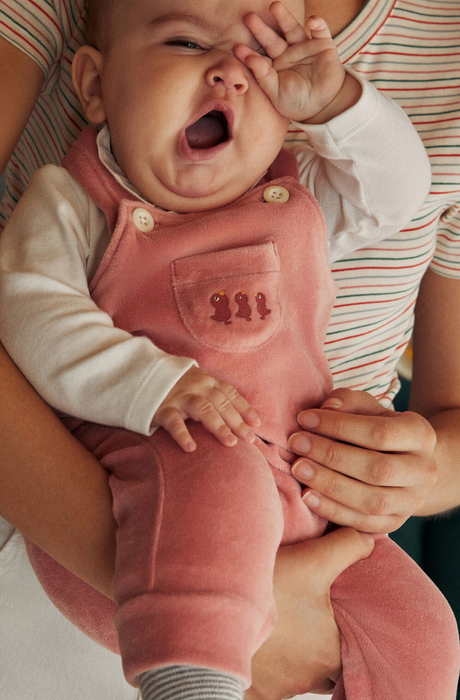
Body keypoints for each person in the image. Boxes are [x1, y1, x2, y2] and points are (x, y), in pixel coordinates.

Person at [0, 1, 459, 699]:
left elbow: (397, 193)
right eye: (186, 42)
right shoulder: (79, 199)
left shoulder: (289, 198)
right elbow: (33, 309)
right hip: (131, 500)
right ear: (93, 85)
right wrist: (152, 386)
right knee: (223, 475)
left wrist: (339, 104)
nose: (228, 75)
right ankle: (190, 683)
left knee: (420, 627)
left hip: (308, 516)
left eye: (259, 62)